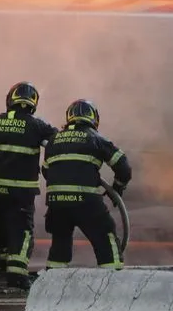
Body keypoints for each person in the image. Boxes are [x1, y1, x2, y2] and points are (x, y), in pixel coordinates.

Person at [0, 81, 58, 288]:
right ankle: (17, 276)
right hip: (20, 193)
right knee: (22, 231)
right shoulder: (37, 125)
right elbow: (58, 142)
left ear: (10, 100)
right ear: (32, 103)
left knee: (0, 227)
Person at [43, 99, 132, 271]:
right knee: (105, 237)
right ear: (94, 119)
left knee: (60, 245)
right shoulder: (96, 138)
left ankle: (51, 286)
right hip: (86, 203)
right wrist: (118, 186)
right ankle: (112, 281)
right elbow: (123, 166)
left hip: (57, 204)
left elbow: (47, 171)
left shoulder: (53, 141)